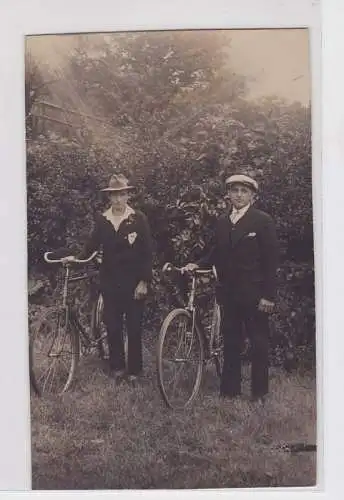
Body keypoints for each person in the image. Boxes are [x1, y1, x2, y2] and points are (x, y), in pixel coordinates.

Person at [184, 174, 279, 403]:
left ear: (253, 196)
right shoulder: (223, 222)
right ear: (228, 194)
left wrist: (268, 295)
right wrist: (198, 263)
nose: (238, 195)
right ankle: (230, 391)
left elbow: (271, 261)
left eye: (244, 191)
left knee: (258, 342)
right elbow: (216, 253)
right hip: (228, 292)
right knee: (231, 340)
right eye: (235, 190)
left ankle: (259, 393)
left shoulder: (262, 221)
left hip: (255, 294)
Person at [64, 173, 153, 385]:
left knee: (133, 327)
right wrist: (75, 259)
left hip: (133, 283)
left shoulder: (138, 218)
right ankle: (117, 368)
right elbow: (91, 247)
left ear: (128, 195)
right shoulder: (102, 220)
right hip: (110, 282)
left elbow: (147, 253)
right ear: (109, 197)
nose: (118, 200)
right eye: (114, 196)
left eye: (122, 195)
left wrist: (144, 282)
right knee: (112, 325)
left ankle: (134, 370)